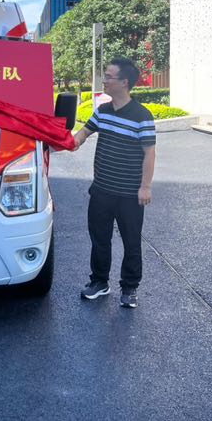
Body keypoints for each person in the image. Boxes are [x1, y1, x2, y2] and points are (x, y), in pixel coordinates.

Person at [72, 58, 156, 308]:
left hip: (130, 194)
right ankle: (99, 282)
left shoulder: (142, 116)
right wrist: (67, 142)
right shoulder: (103, 111)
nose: (104, 81)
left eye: (109, 77)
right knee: (99, 239)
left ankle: (129, 288)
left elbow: (150, 153)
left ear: (124, 82)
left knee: (132, 242)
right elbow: (84, 133)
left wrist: (145, 187)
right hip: (102, 190)